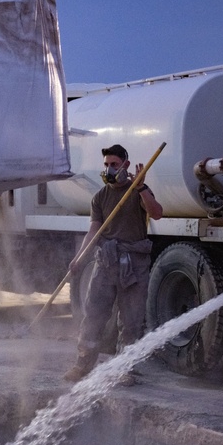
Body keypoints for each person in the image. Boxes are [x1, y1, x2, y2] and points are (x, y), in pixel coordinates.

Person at [63, 144, 163, 384]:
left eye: (114, 165)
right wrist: (78, 259)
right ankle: (83, 365)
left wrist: (141, 188)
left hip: (134, 265)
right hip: (106, 262)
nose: (109, 169)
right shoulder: (100, 197)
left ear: (125, 165)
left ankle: (125, 368)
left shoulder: (138, 190)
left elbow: (157, 213)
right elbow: (93, 232)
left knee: (131, 321)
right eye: (106, 165)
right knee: (93, 315)